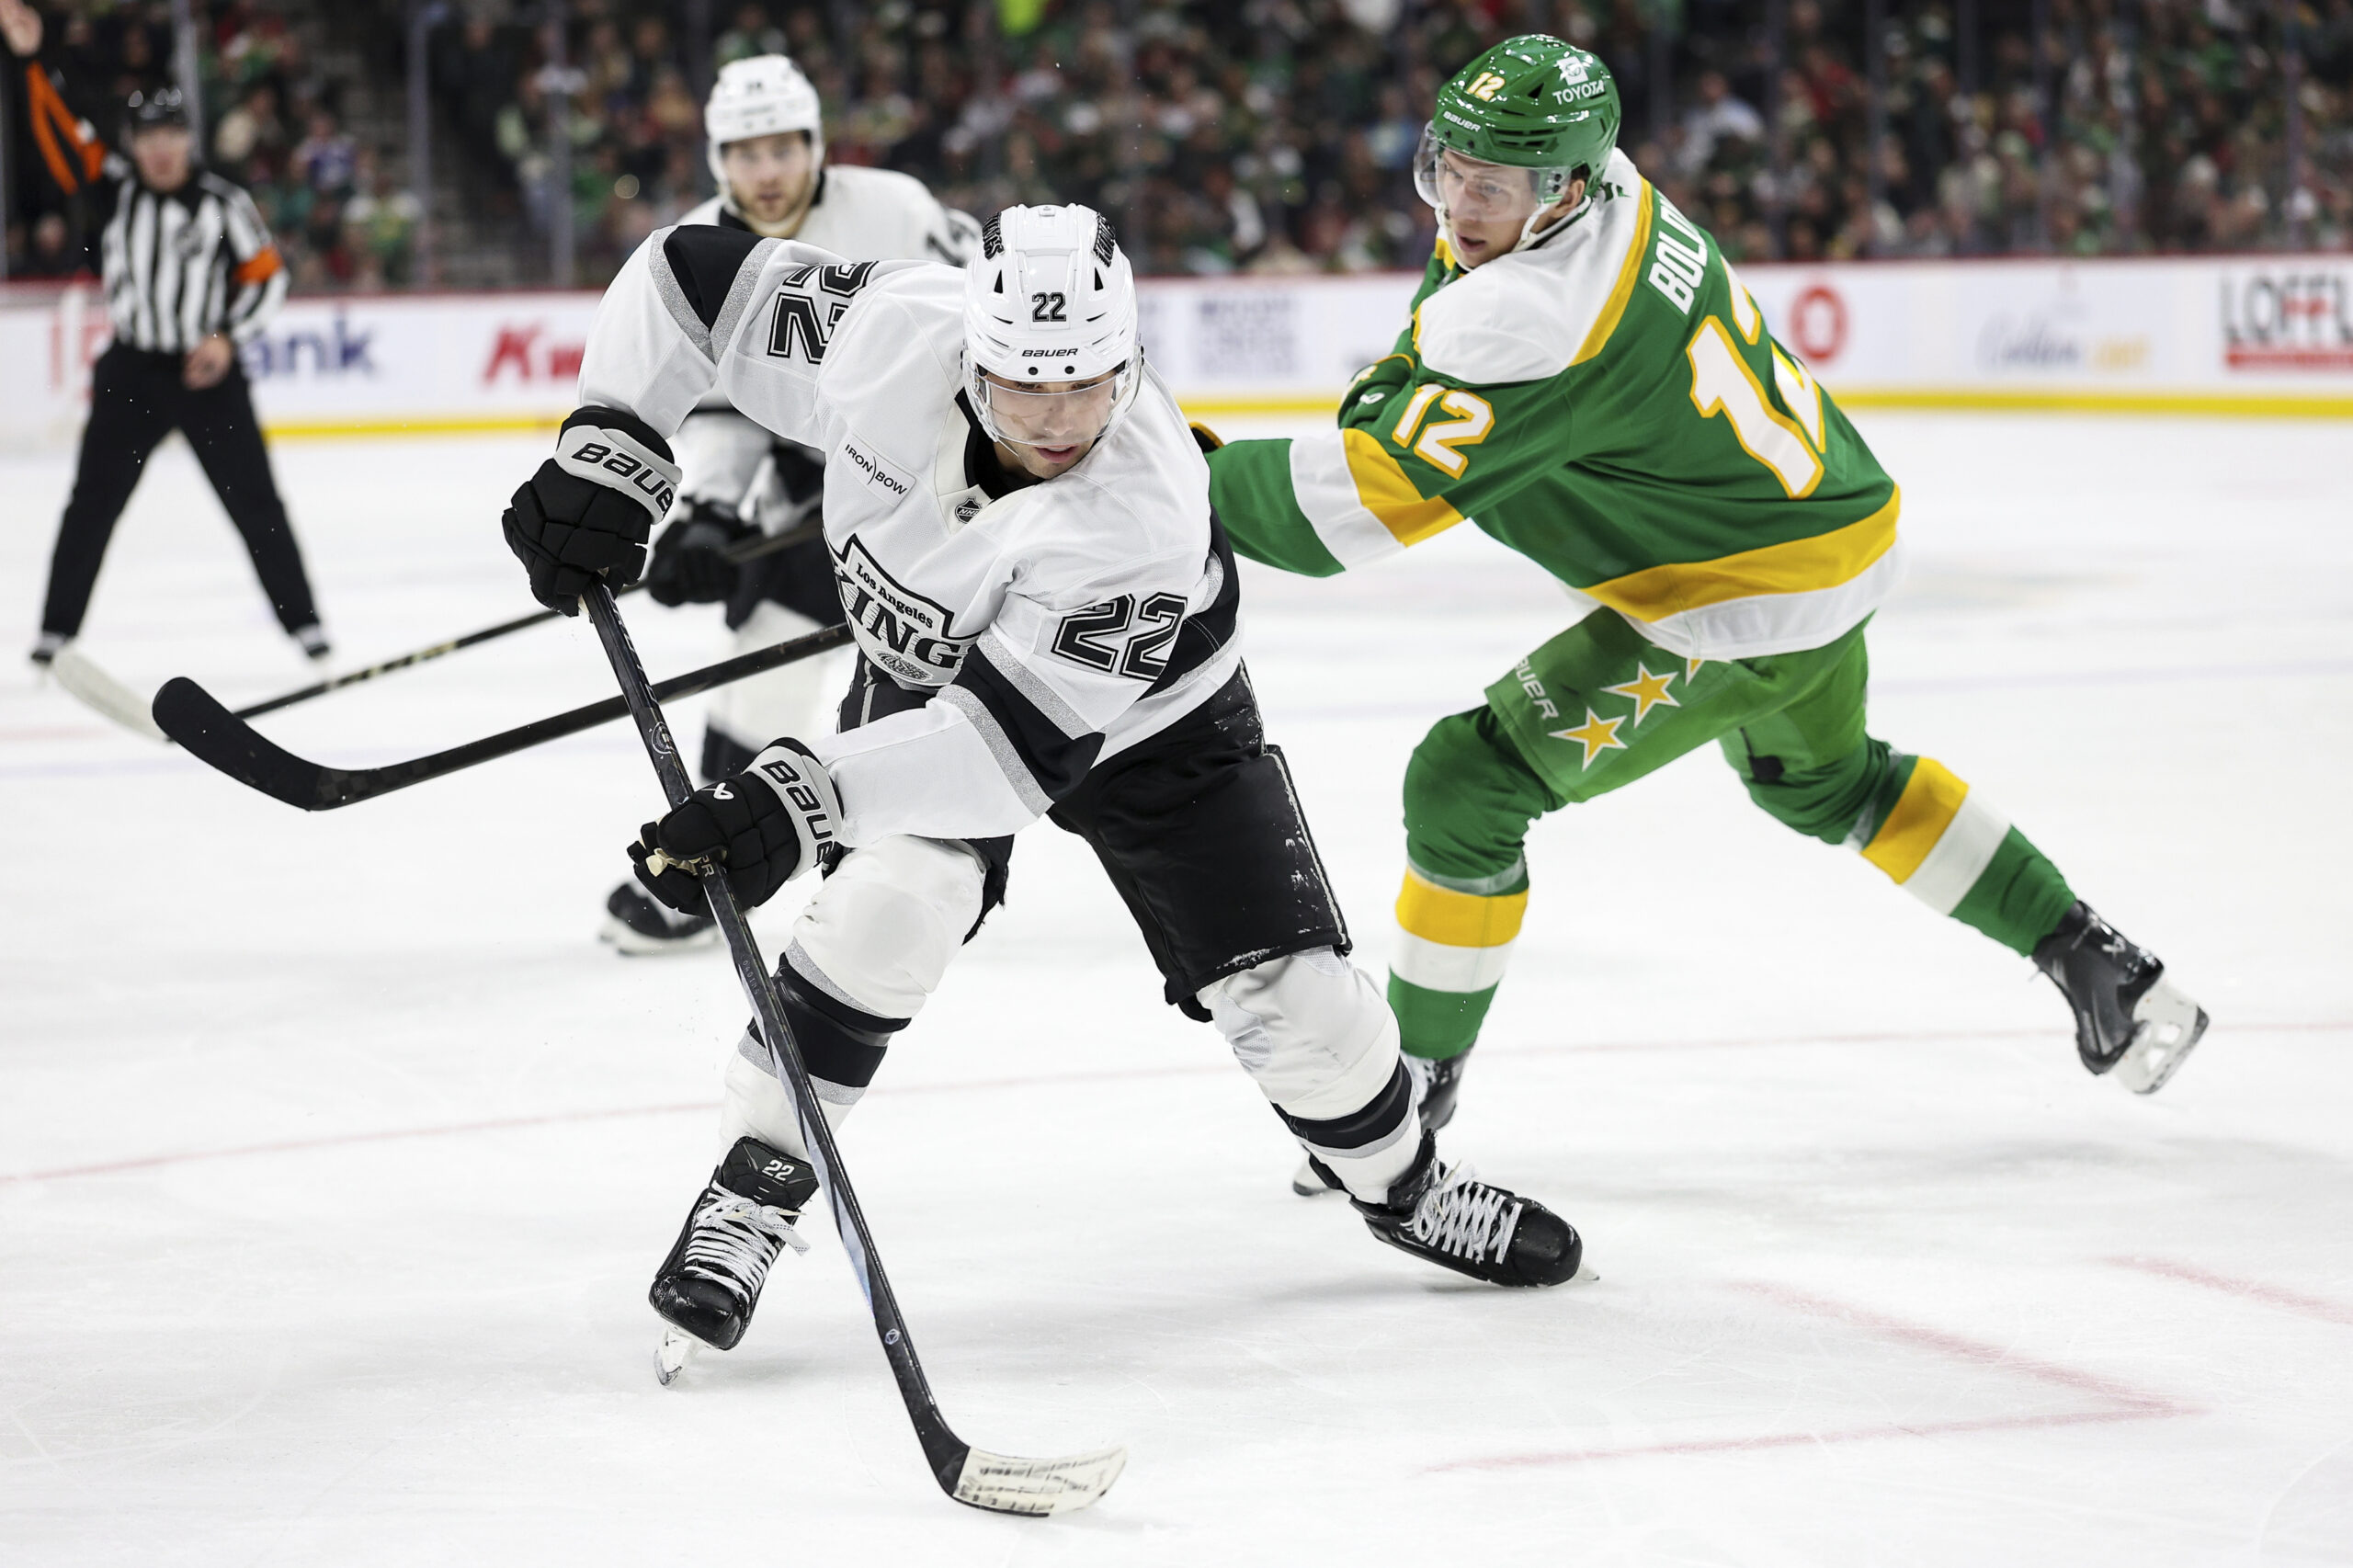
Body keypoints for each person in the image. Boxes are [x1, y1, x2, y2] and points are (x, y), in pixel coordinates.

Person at [499, 205, 1589, 1365]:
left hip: (1155, 722)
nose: (1057, 421)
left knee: (1300, 1010)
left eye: (1087, 386)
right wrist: (613, 443)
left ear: (1126, 361)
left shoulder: (1143, 512)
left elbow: (1000, 757)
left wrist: (799, 789)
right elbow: (681, 281)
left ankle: (1403, 1185)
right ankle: (755, 1192)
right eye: (1022, 386)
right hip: (934, 682)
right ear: (970, 353)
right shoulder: (885, 333)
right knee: (888, 909)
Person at [1197, 39, 2210, 1194]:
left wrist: (1159, 482)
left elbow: (1342, 514)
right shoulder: (1609, 189)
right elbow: (1447, 346)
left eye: (1491, 187)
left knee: (1463, 786)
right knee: (1828, 785)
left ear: (1565, 189)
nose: (1458, 207)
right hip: (1830, 522)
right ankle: (2095, 958)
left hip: (1740, 598)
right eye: (1448, 169)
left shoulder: (1541, 309)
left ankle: (1408, 1092)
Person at [601, 51, 982, 955]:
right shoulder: (698, 246)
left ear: (816, 146)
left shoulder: (893, 209)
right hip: (825, 484)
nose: (765, 172)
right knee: (760, 653)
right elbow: (729, 410)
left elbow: (982, 334)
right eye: (744, 152)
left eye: (782, 148)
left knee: (1008, 686)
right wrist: (710, 513)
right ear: (715, 159)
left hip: (956, 473)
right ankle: (713, 867)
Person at [28, 83, 326, 668]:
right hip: (132, 371)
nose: (161, 148)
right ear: (132, 145)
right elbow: (59, 129)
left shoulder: (221, 203)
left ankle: (306, 626)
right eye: (149, 137)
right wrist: (31, 59)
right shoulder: (111, 191)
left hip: (206, 374)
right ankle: (55, 634)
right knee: (91, 505)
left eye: (171, 134)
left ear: (190, 139)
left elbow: (268, 277)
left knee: (257, 505)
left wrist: (226, 338)